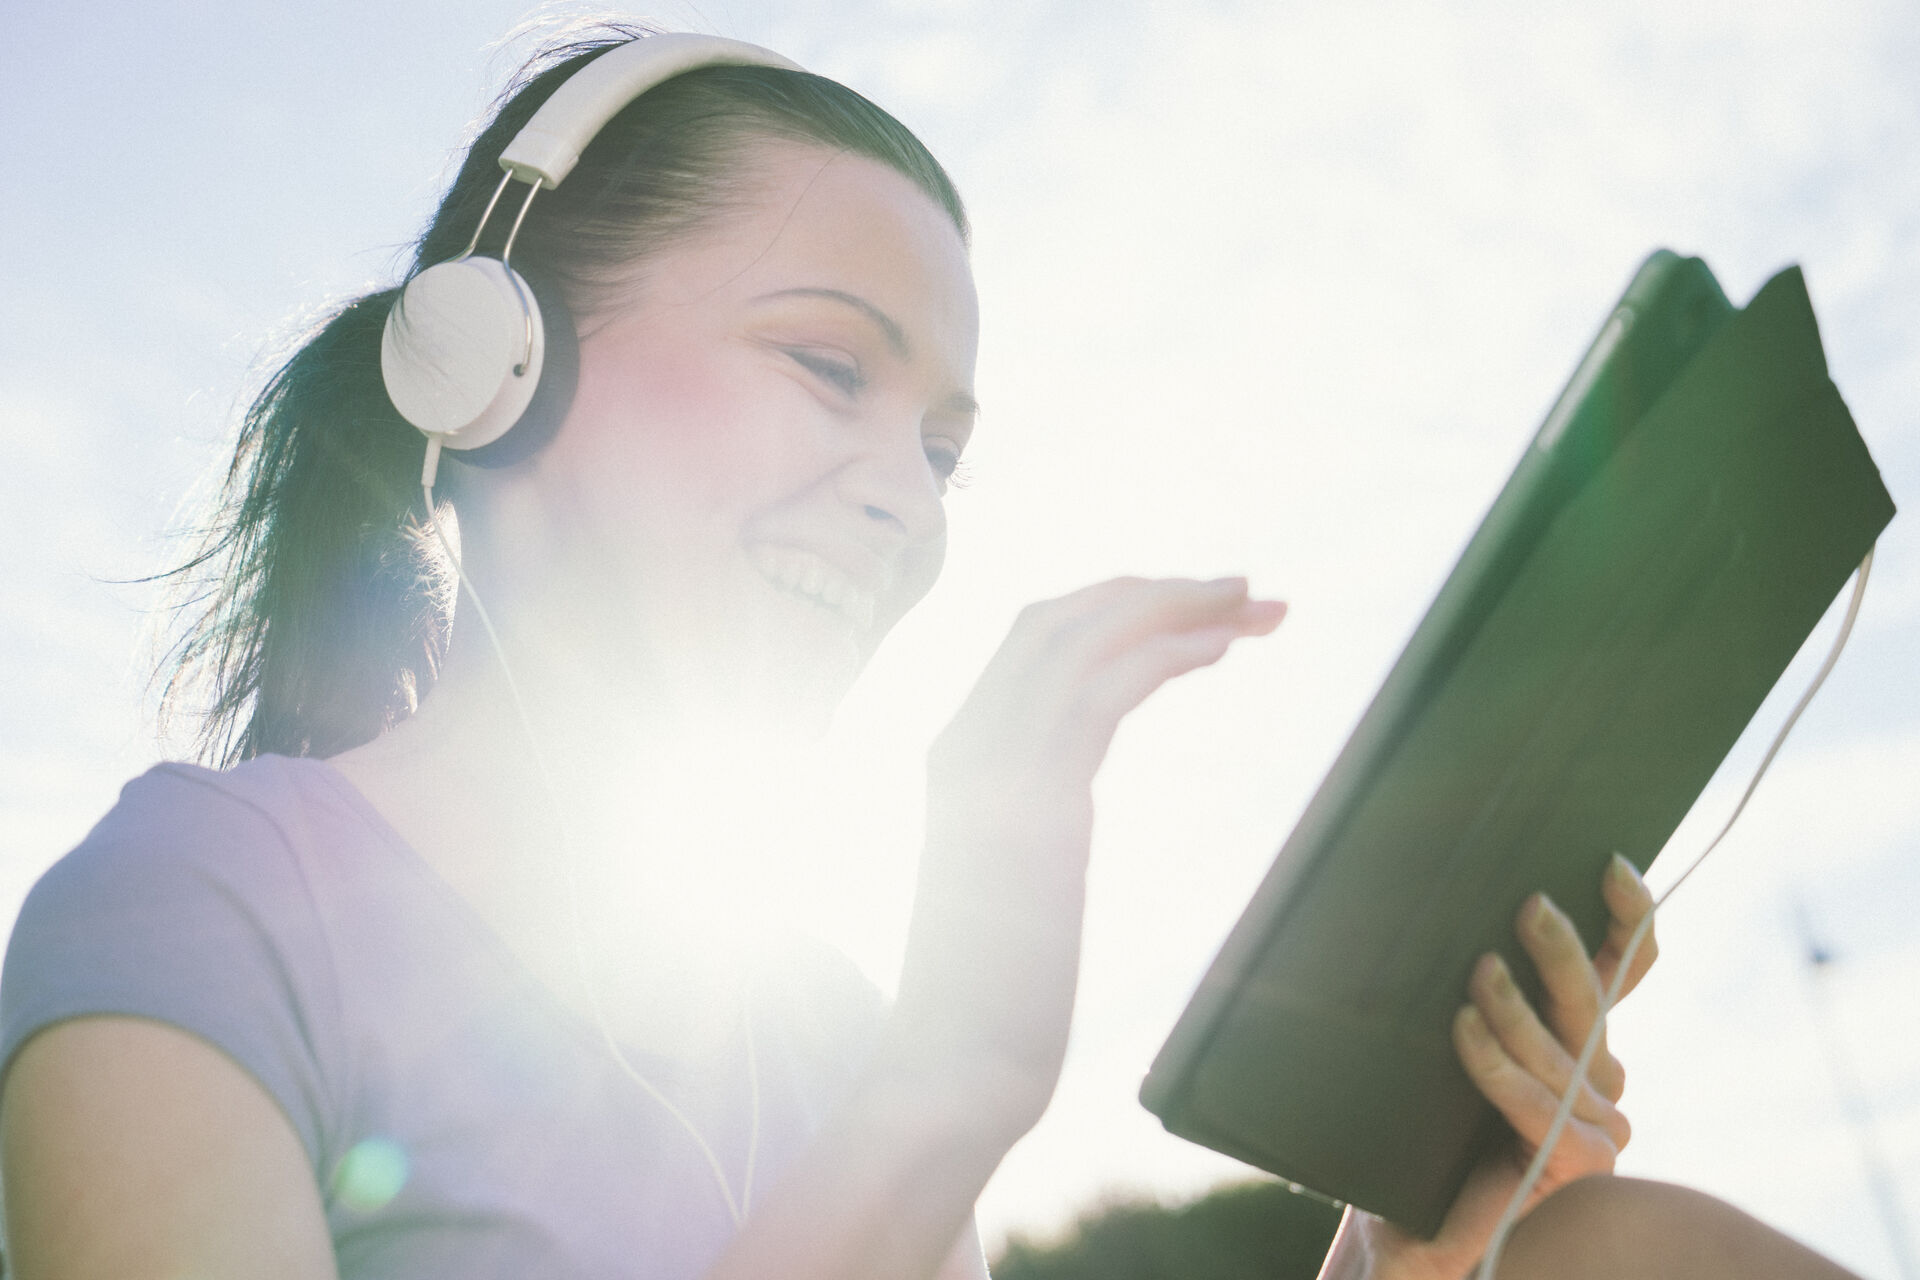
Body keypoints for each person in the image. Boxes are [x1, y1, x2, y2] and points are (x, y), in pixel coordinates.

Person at [0, 24, 1864, 1280]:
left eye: (946, 446)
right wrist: (946, 1091)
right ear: (494, 362)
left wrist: (1416, 1247)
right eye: (830, 366)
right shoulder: (200, 899)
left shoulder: (819, 1031)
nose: (909, 497)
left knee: (1590, 1255)